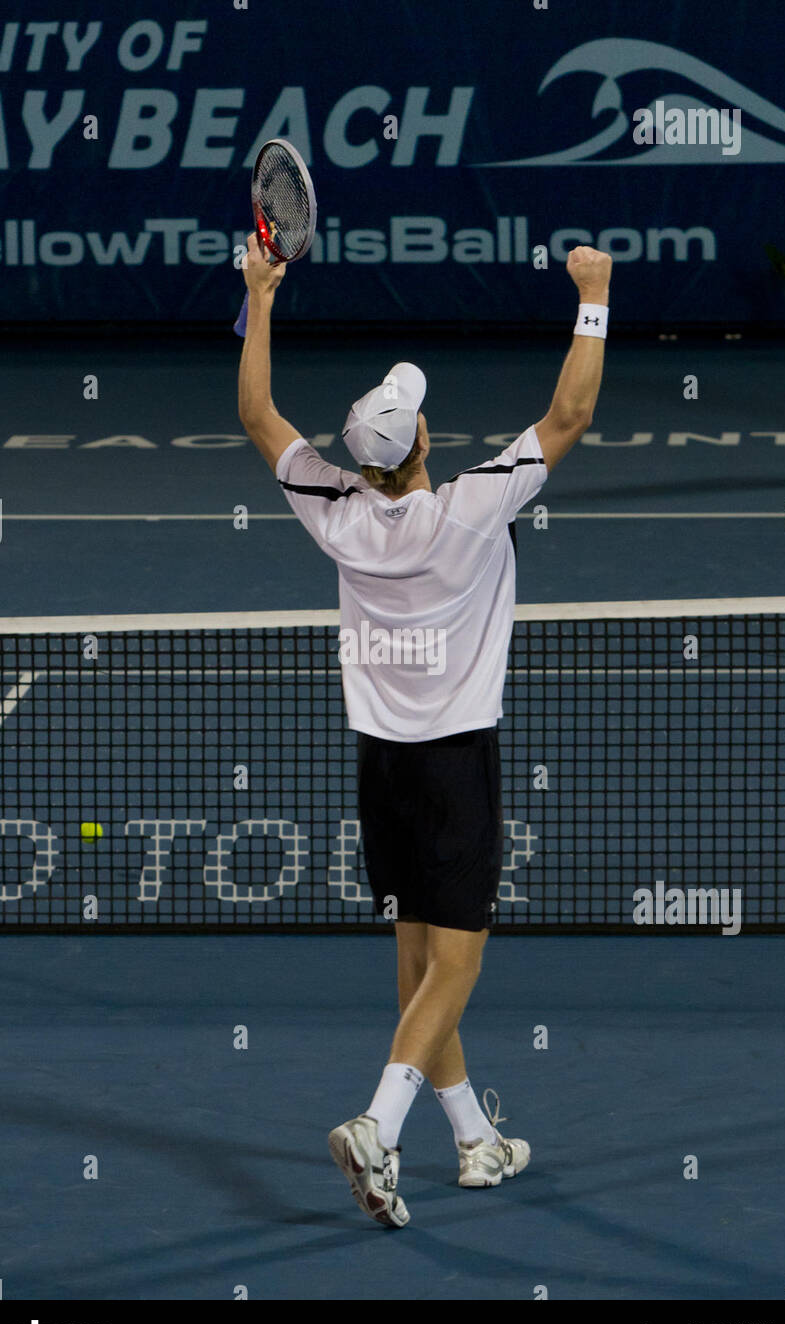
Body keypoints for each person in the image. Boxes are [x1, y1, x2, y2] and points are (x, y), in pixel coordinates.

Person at [238, 235, 611, 1227]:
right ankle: (377, 1122)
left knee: (414, 960)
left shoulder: (333, 511)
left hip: (380, 771)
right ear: (422, 446)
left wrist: (259, 297)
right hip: (455, 769)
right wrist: (593, 296)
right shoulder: (472, 510)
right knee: (457, 964)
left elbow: (255, 414)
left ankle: (473, 1139)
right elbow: (570, 412)